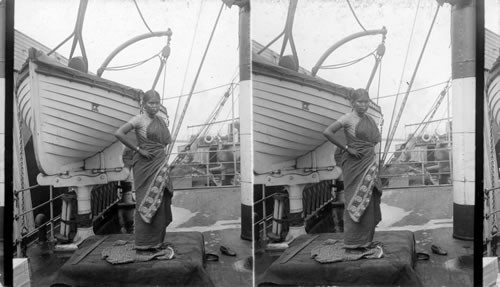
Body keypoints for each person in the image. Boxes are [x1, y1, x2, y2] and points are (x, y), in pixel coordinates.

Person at [323, 88, 383, 257]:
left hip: (369, 161)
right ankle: (352, 242)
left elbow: (374, 142)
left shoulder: (369, 119)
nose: (364, 105)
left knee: (369, 200)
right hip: (355, 164)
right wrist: (347, 148)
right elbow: (327, 132)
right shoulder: (348, 118)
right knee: (354, 200)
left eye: (366, 102)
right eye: (360, 102)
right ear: (352, 103)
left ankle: (365, 241)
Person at [114, 89, 173, 253]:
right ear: (143, 104)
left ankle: (156, 242)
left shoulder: (160, 120)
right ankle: (143, 242)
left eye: (157, 103)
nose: (154, 107)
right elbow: (118, 133)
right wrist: (139, 149)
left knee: (160, 201)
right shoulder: (138, 119)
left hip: (159, 162)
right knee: (145, 201)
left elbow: (165, 142)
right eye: (151, 103)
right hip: (145, 165)